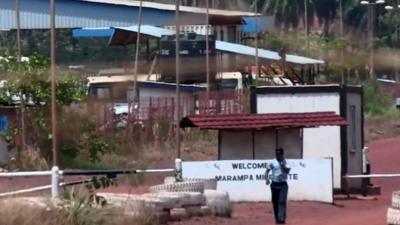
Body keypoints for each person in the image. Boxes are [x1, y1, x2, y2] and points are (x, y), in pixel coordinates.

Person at [266, 148, 291, 224]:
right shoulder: (272, 162)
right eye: (277, 154)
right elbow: (267, 171)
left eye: (279, 154)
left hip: (283, 185)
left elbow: (287, 171)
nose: (278, 156)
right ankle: (278, 218)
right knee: (275, 202)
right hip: (274, 184)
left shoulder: (286, 162)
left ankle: (281, 218)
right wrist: (267, 179)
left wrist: (282, 165)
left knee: (282, 201)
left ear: (282, 154)